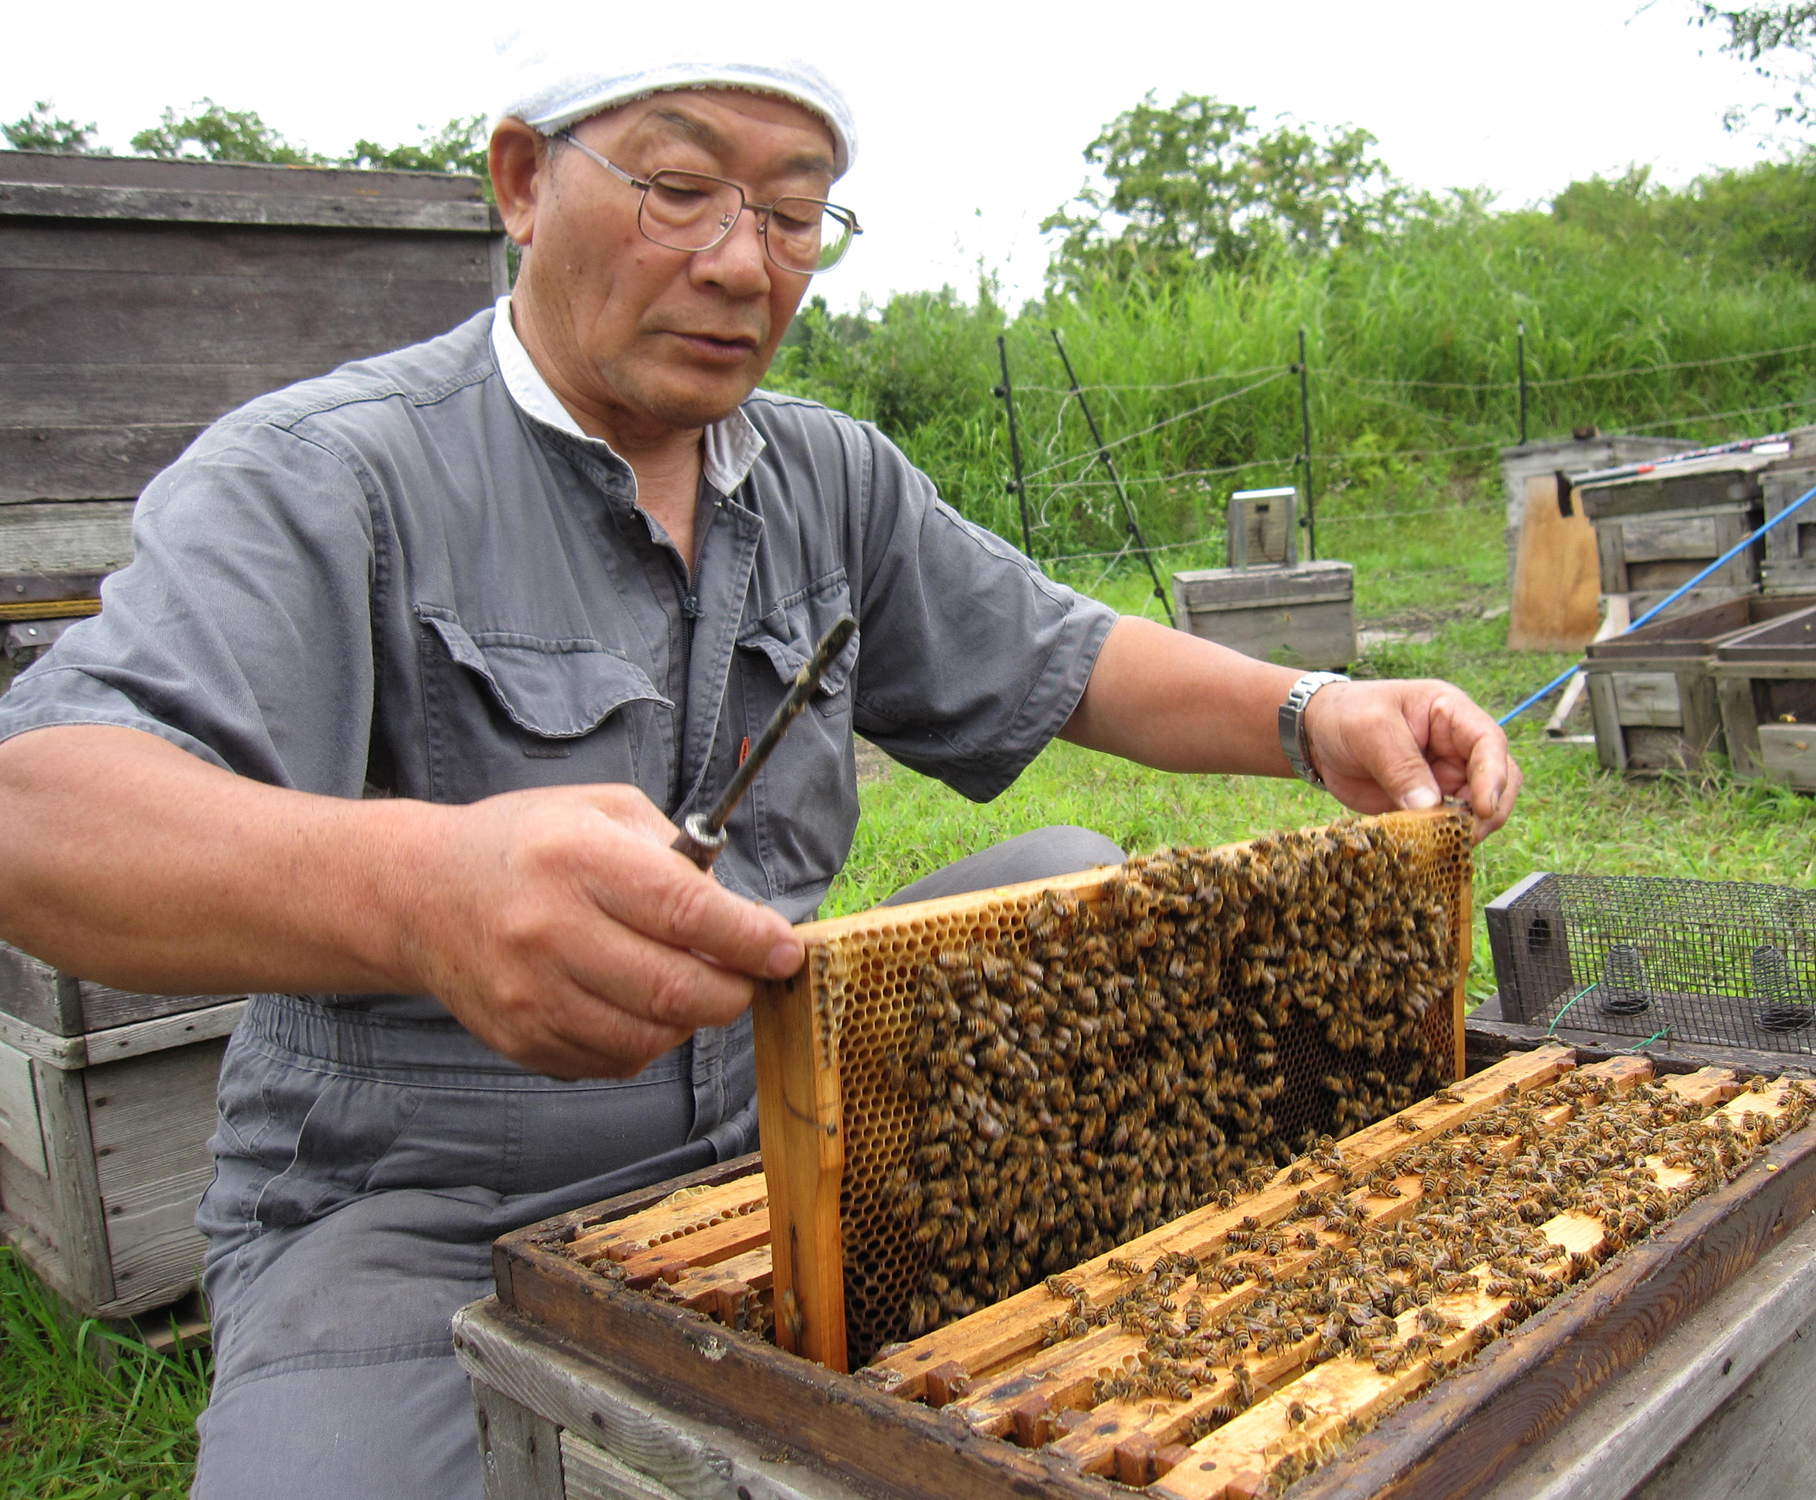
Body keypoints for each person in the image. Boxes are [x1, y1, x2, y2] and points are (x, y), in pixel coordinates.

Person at [0, 54, 1520, 1500]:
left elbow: (1065, 653)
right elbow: (41, 808)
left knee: (1064, 867)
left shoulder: (830, 477)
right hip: (426, 1206)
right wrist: (417, 890)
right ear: (523, 182)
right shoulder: (325, 474)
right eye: (680, 188)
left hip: (799, 1117)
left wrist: (1315, 709)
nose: (745, 262)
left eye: (795, 215)